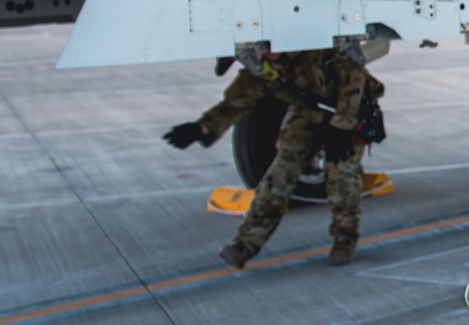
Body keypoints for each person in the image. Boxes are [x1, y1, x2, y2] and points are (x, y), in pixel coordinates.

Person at [164, 47, 383, 267]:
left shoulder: (310, 46)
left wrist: (342, 127)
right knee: (279, 175)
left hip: (350, 109)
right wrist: (201, 128)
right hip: (309, 114)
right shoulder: (262, 68)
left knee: (341, 172)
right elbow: (235, 102)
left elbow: (353, 77)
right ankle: (245, 244)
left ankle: (344, 240)